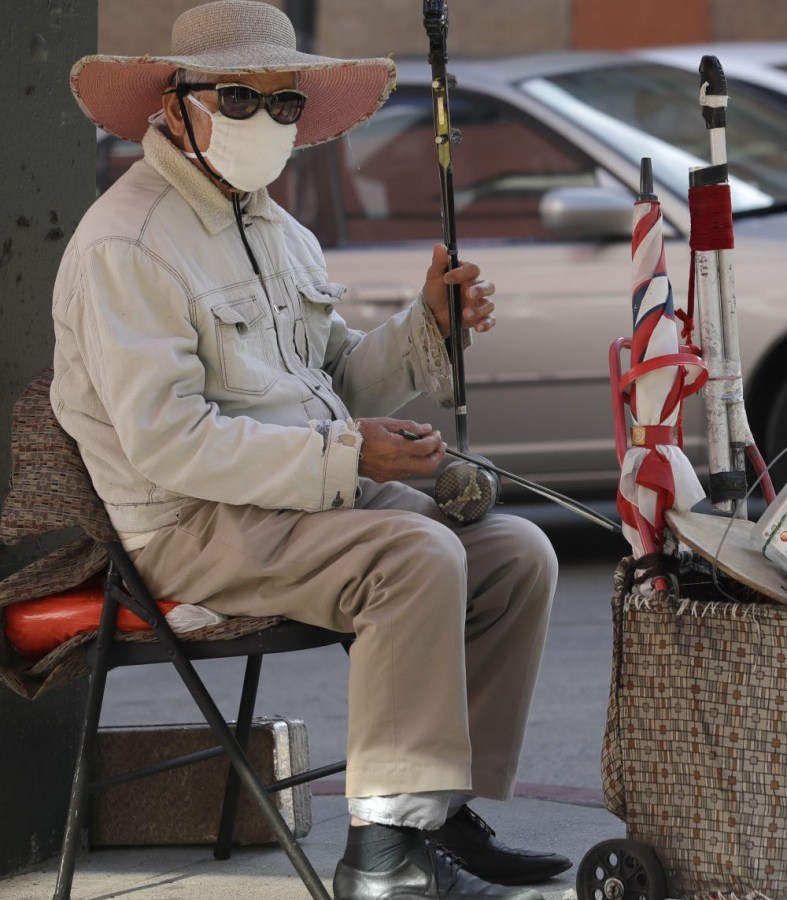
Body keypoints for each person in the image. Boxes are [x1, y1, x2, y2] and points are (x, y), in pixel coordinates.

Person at [52, 2, 570, 897]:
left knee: (515, 553)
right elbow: (168, 444)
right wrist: (349, 456)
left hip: (299, 502)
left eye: (283, 103)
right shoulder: (125, 245)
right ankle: (384, 855)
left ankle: (436, 813)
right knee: (414, 556)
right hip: (191, 521)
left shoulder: (278, 230)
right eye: (237, 99)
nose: (264, 120)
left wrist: (426, 328)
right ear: (175, 106)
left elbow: (331, 384)